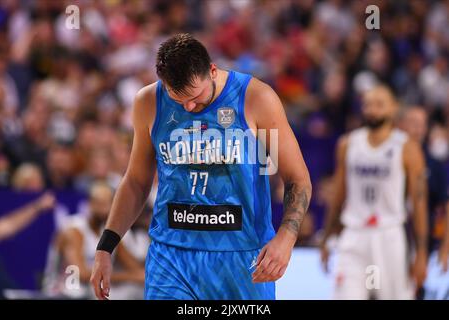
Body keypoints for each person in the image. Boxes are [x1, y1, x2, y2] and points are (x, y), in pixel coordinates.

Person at [90, 33, 312, 300]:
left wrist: (286, 238)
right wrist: (105, 249)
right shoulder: (148, 102)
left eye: (196, 97)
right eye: (179, 99)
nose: (190, 106)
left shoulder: (256, 98)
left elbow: (298, 179)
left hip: (241, 255)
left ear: (212, 70)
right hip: (171, 255)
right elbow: (136, 182)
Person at [319, 85, 428, 299]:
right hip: (354, 234)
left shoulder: (407, 147)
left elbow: (419, 204)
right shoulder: (347, 144)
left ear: (393, 109)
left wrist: (421, 253)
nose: (372, 110)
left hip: (389, 235)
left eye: (379, 104)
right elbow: (339, 196)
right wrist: (327, 236)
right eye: (368, 104)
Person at [43, 182, 144, 299]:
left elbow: (134, 268)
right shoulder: (73, 230)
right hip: (64, 291)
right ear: (90, 204)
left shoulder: (108, 233)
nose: (104, 209)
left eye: (107, 203)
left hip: (91, 291)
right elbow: (78, 274)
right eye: (99, 203)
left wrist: (142, 275)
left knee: (138, 291)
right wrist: (130, 276)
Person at [400, 107, 449, 273]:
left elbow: (446, 206)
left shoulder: (435, 165)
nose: (417, 130)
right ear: (402, 126)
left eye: (421, 125)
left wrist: (445, 248)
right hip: (389, 237)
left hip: (424, 244)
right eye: (412, 123)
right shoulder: (389, 158)